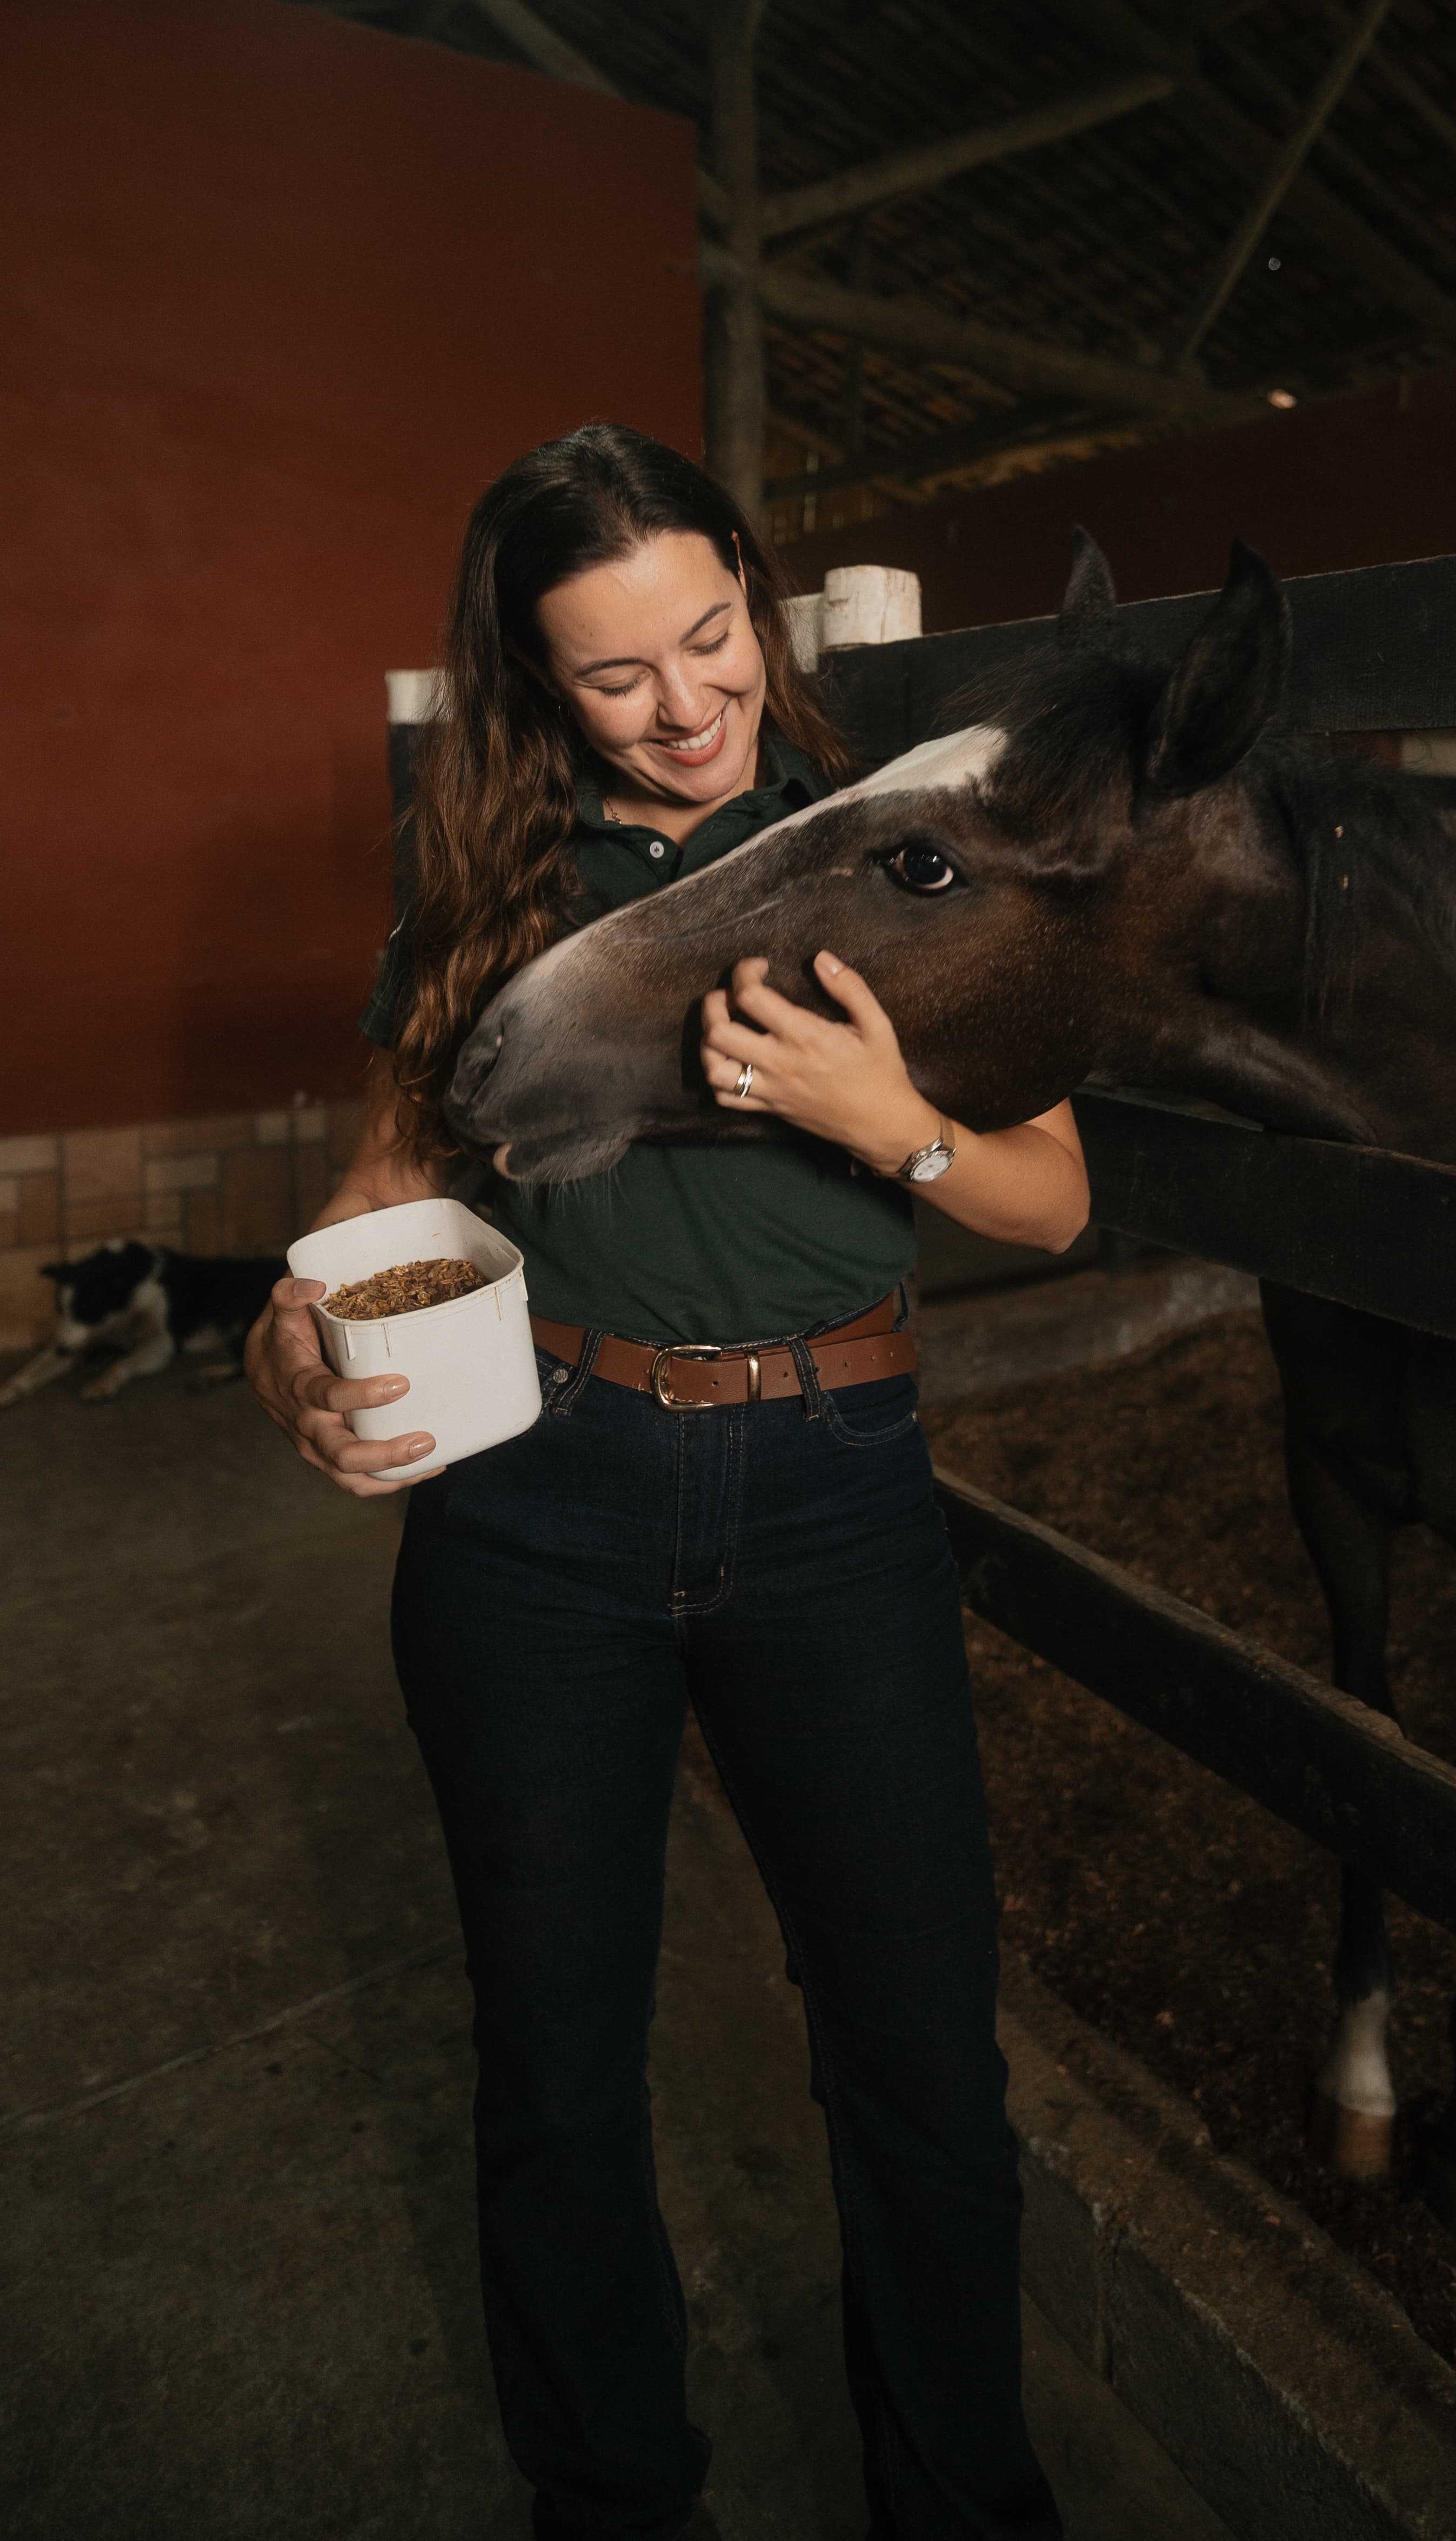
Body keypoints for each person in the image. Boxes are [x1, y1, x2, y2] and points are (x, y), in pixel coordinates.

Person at [248, 423, 1088, 2541]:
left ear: (753, 587)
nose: (686, 703)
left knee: (919, 2080)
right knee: (555, 2083)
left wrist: (882, 1115)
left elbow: (1052, 1201)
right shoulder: (499, 885)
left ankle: (962, 2509)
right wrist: (297, 1325)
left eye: (708, 636)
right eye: (615, 676)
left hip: (832, 1495)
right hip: (539, 1502)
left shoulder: (907, 854)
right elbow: (381, 1178)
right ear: (540, 685)